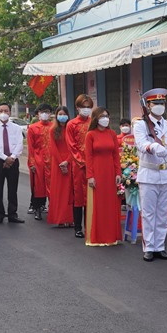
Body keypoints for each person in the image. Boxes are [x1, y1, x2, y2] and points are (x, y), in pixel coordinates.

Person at [134, 88, 167, 261]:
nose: (159, 106)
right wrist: (153, 147)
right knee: (149, 213)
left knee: (162, 214)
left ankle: (160, 246)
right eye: (155, 103)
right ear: (148, 105)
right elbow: (141, 144)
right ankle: (149, 247)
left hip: (166, 175)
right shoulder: (141, 125)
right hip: (149, 175)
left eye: (162, 103)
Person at [84, 107, 123, 246]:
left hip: (110, 172)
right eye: (102, 116)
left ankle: (111, 236)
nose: (105, 118)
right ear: (96, 118)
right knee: (98, 205)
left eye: (107, 116)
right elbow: (88, 157)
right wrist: (90, 176)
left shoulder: (112, 134)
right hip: (97, 172)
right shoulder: (90, 135)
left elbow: (115, 155)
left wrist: (118, 173)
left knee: (110, 204)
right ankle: (97, 236)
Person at [0, 103, 25, 224]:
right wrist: (5, 158)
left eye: (6, 111)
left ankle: (12, 214)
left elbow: (19, 144)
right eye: (1, 110)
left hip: (13, 160)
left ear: (10, 112)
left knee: (12, 189)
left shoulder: (16, 128)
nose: (4, 113)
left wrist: (11, 158)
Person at [66, 94, 94, 238]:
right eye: (84, 107)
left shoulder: (94, 123)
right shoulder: (71, 124)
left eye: (89, 107)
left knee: (91, 196)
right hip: (78, 166)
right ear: (77, 108)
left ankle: (90, 225)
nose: (86, 109)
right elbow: (71, 146)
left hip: (93, 166)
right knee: (79, 195)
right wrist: (81, 161)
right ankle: (78, 227)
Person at [46, 105, 74, 227]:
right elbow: (52, 147)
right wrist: (61, 163)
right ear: (56, 116)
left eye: (64, 114)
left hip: (71, 161)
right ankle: (60, 219)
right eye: (60, 114)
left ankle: (70, 218)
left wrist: (67, 161)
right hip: (57, 163)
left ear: (68, 115)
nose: (62, 116)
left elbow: (74, 147)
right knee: (59, 191)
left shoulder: (71, 128)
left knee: (69, 192)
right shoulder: (53, 130)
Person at [27, 103, 52, 220]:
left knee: (52, 186)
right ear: (38, 114)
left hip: (52, 161)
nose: (45, 114)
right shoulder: (33, 128)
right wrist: (31, 163)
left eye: (47, 111)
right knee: (38, 186)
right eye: (42, 111)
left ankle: (51, 208)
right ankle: (37, 208)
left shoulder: (54, 127)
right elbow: (31, 147)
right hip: (39, 160)